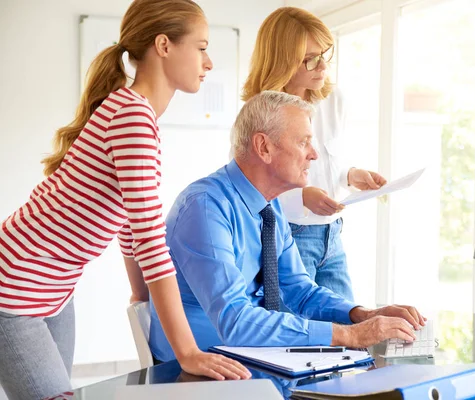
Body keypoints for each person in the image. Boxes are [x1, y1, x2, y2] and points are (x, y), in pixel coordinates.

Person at [0, 1, 250, 398]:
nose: (209, 62)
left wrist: (141, 297)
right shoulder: (132, 116)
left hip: (56, 291)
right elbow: (150, 240)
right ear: (164, 45)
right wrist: (187, 352)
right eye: (201, 47)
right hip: (14, 289)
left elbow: (130, 227)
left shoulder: (136, 114)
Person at [148, 91, 425, 361]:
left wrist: (362, 315)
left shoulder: (270, 207)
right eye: (304, 142)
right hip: (198, 371)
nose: (314, 154)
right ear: (264, 147)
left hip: (252, 359)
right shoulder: (206, 208)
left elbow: (300, 291)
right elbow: (236, 322)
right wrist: (349, 335)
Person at [242, 7, 387, 302]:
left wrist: (351, 175)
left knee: (346, 327)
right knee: (297, 333)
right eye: (310, 59)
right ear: (282, 61)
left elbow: (331, 160)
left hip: (331, 235)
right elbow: (249, 185)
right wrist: (301, 197)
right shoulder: (260, 112)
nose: (322, 67)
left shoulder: (334, 100)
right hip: (289, 236)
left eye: (324, 55)